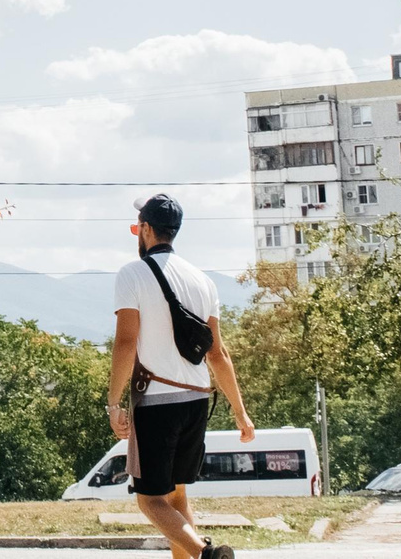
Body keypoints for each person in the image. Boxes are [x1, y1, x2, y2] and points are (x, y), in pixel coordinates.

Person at [107, 194, 254, 559]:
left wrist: (113, 403)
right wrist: (239, 410)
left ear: (144, 229)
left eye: (136, 226)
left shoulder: (132, 274)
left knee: (151, 502)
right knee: (177, 496)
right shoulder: (202, 281)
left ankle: (206, 554)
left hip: (157, 403)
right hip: (197, 399)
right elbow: (218, 354)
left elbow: (126, 342)